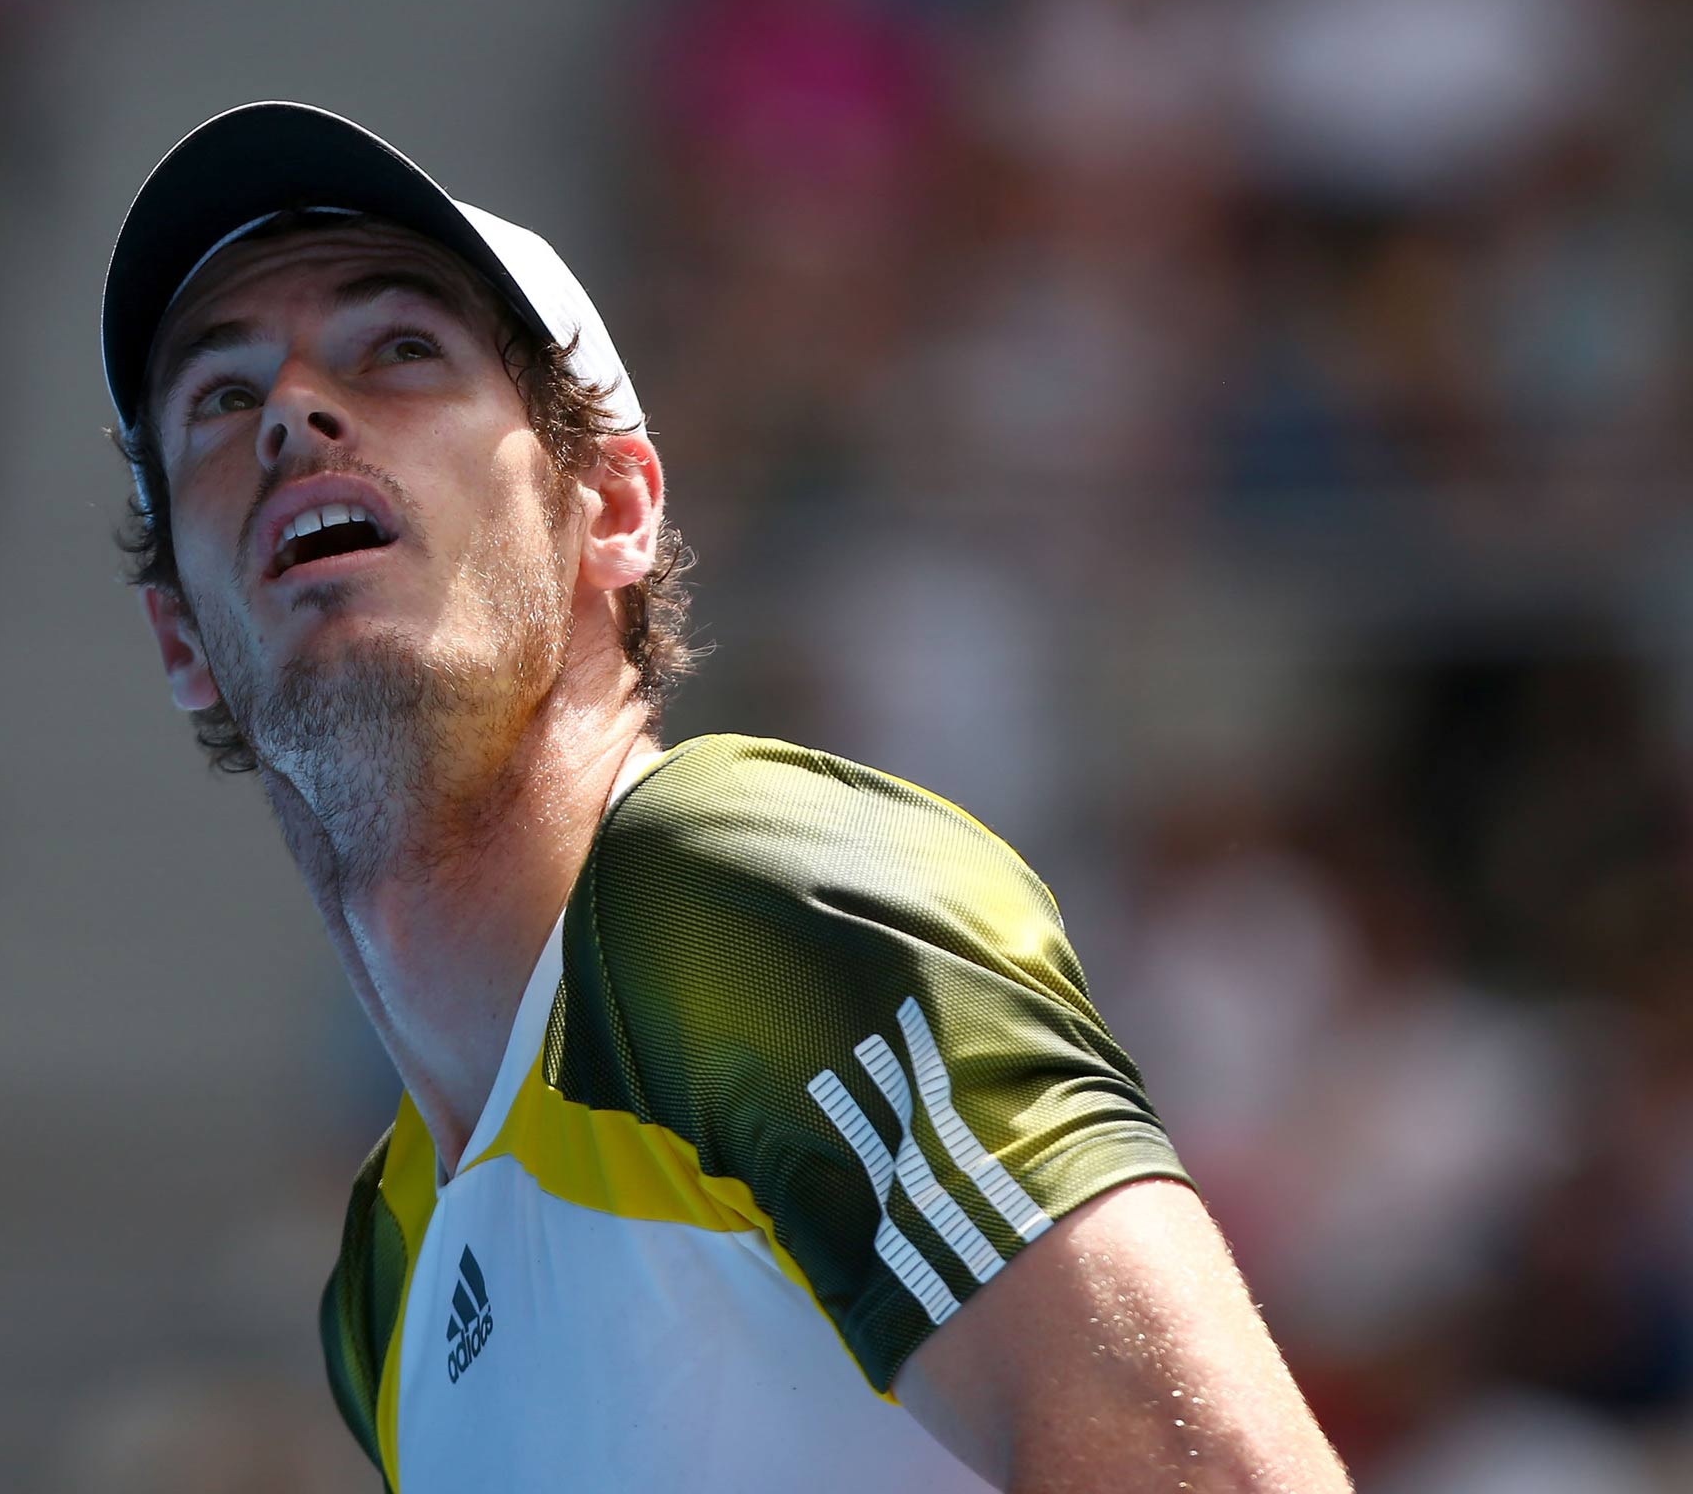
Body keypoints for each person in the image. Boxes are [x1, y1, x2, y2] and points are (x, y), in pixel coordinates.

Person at [100, 101, 1349, 1493]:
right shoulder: (385, 1274)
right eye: (220, 396)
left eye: (401, 349)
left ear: (615, 510)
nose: (293, 411)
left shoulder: (728, 888)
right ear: (181, 645)